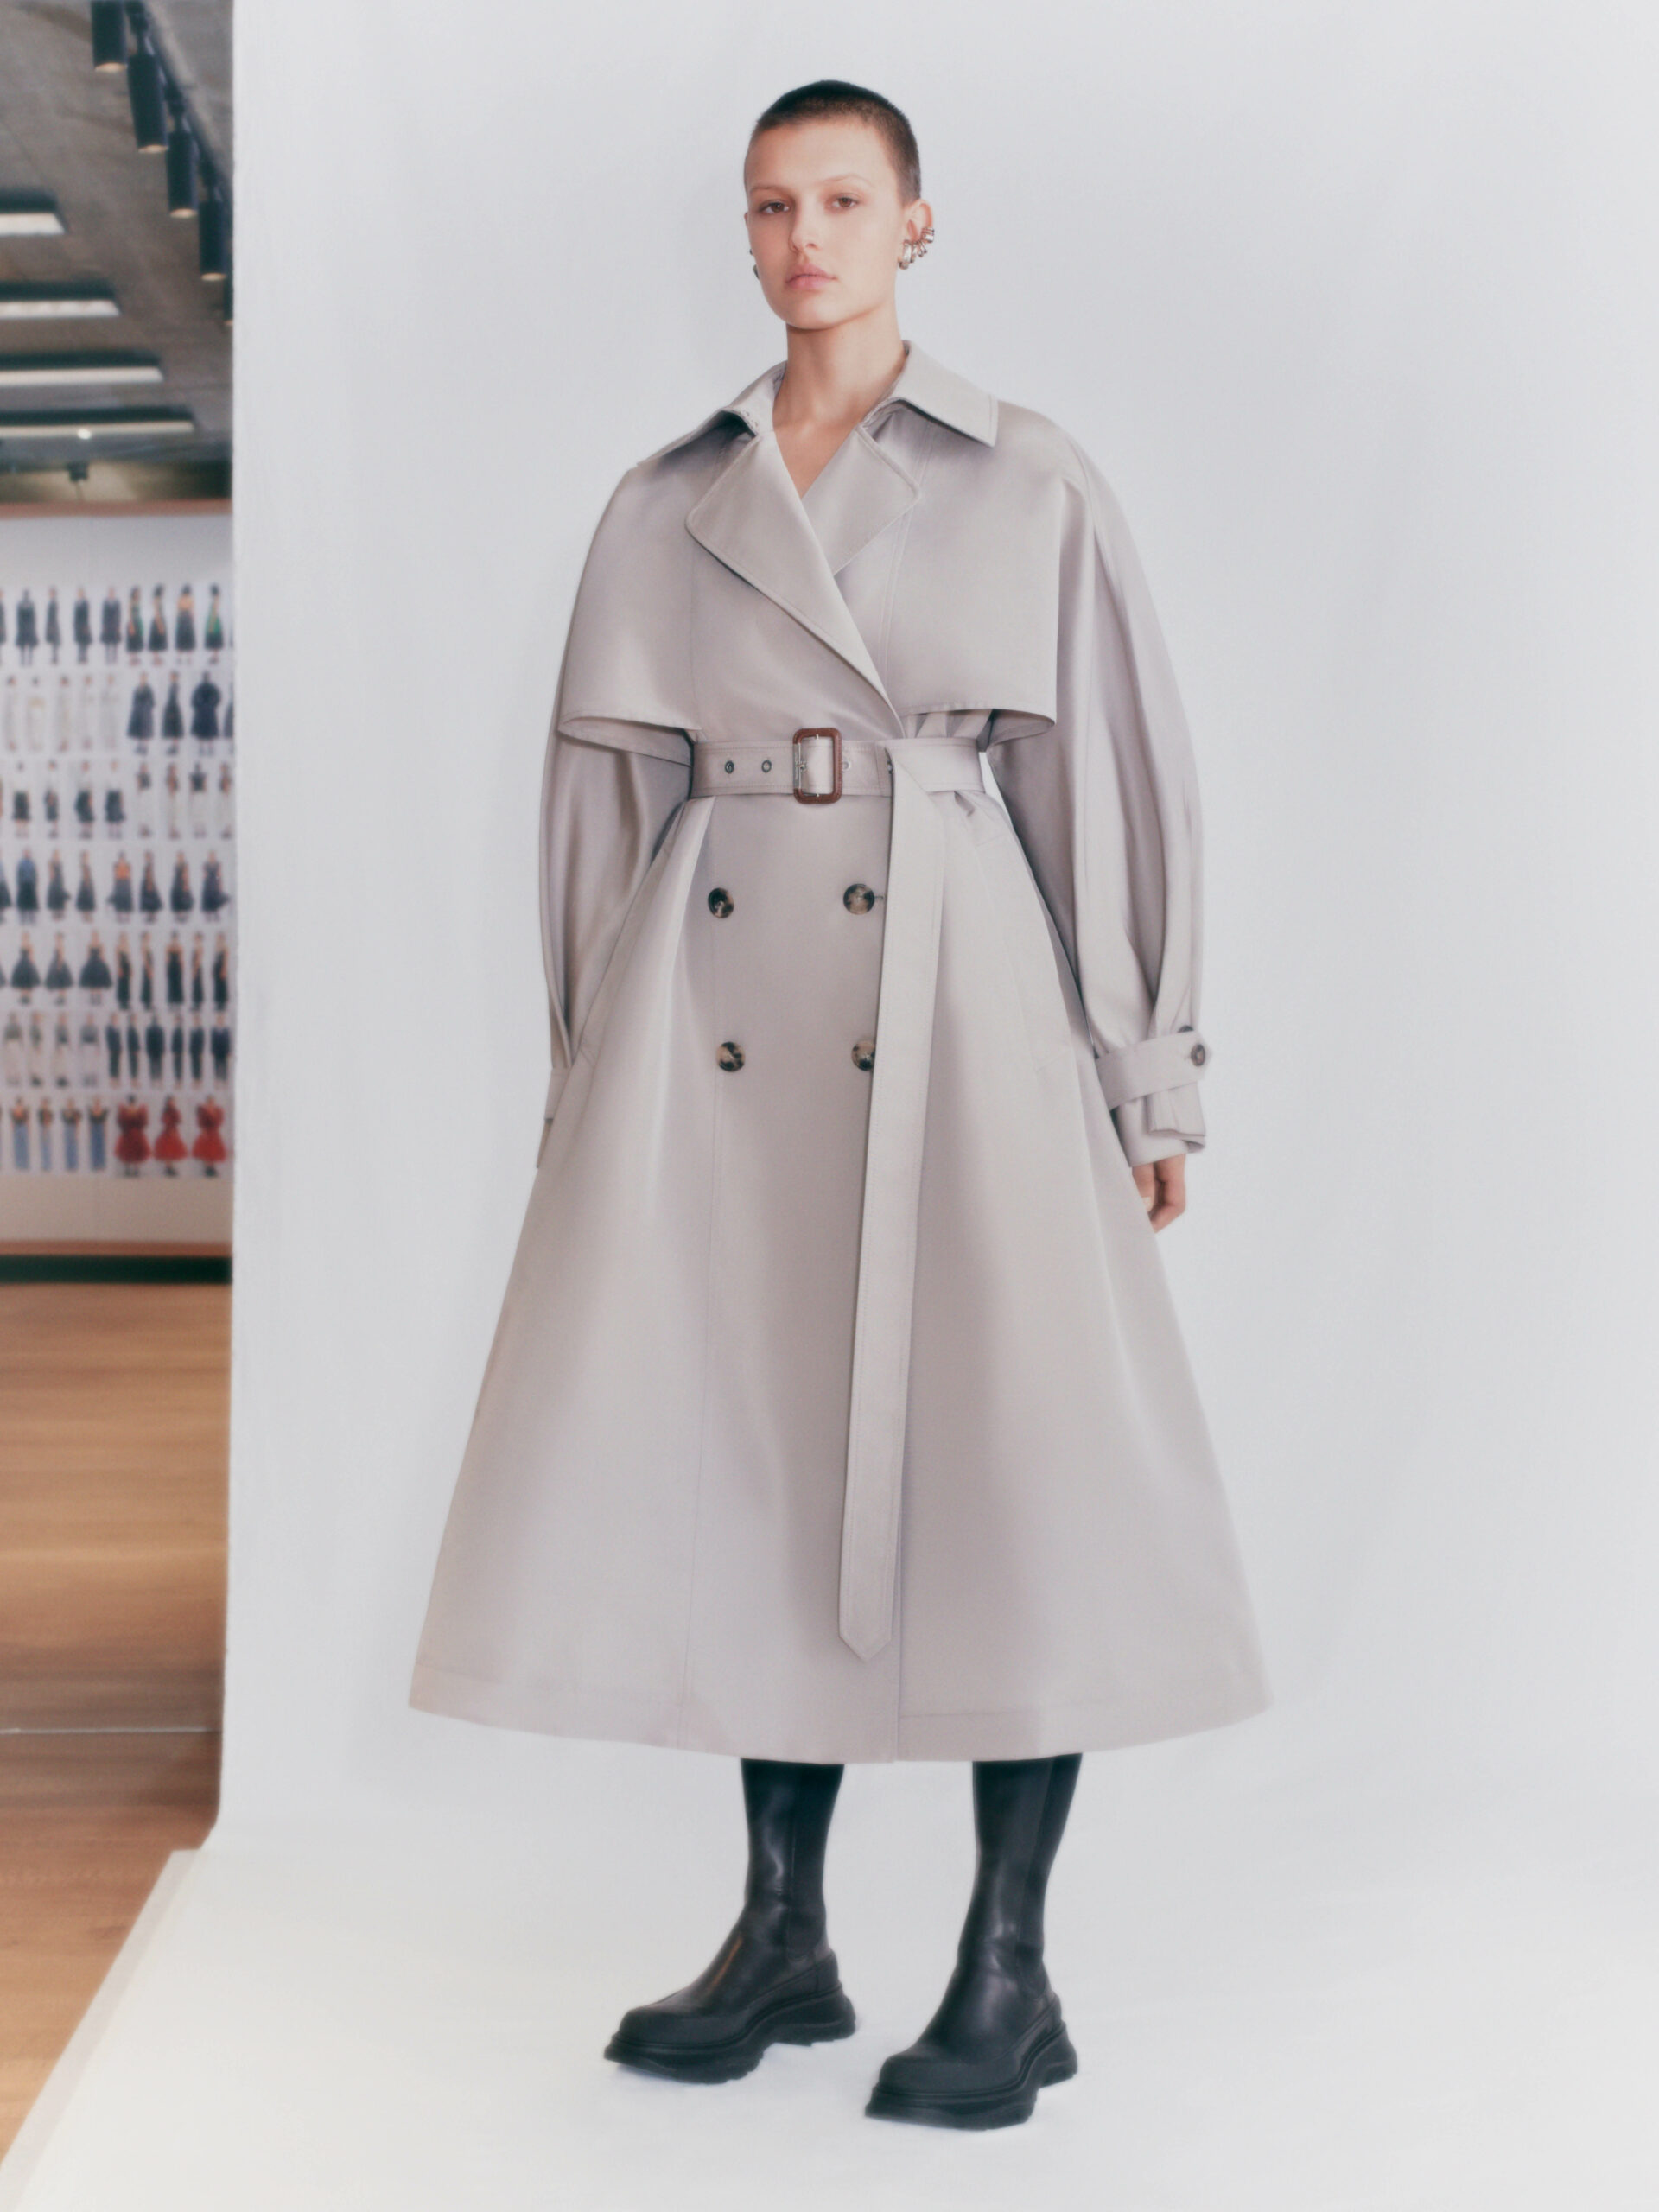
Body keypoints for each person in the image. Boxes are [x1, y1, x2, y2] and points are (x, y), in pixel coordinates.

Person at [409, 81, 1269, 2132]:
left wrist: (1146, 1068)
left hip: (963, 1000)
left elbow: (1107, 779)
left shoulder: (1022, 473)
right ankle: (783, 1932)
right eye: (773, 206)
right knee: (755, 1454)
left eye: (844, 201)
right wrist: (588, 1083)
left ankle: (1008, 1965)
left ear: (916, 223)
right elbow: (599, 807)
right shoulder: (667, 496)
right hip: (717, 1015)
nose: (806, 239)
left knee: (1014, 1457)